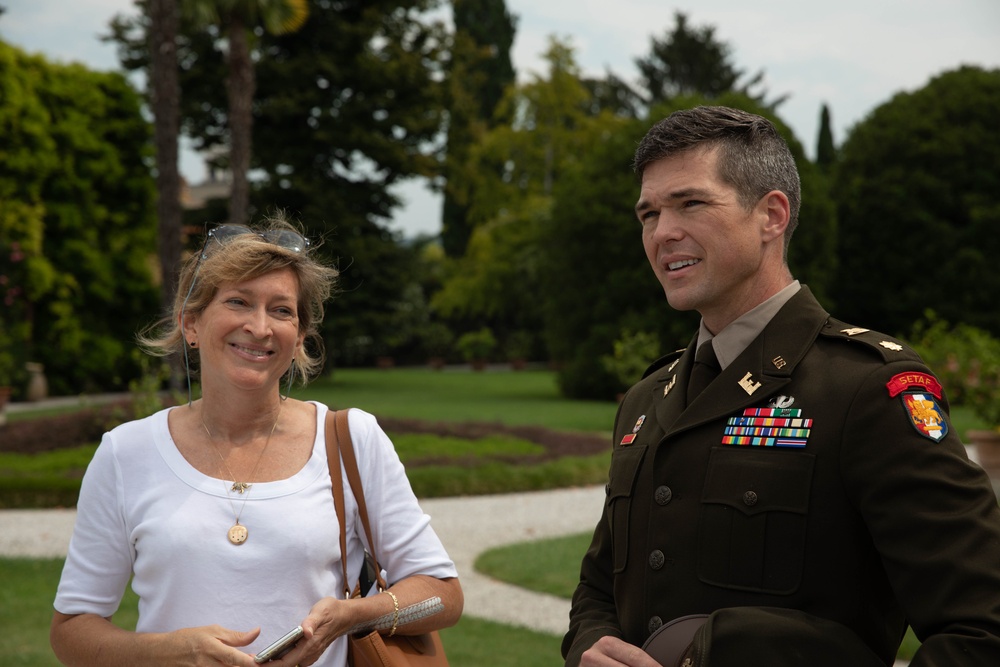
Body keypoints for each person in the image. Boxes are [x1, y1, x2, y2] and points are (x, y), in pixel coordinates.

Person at [562, 106, 1000, 666]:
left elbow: (981, 630)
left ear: (771, 215)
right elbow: (599, 589)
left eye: (690, 203)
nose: (662, 232)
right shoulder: (648, 399)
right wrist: (586, 650)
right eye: (648, 213)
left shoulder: (865, 389)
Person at [50, 216, 463, 666]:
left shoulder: (350, 438)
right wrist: (168, 652)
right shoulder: (125, 452)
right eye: (238, 301)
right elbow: (72, 630)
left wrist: (355, 615)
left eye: (282, 310)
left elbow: (443, 595)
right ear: (191, 323)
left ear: (299, 338)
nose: (260, 326)